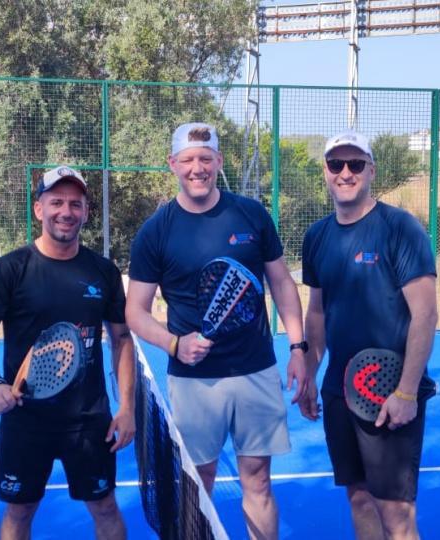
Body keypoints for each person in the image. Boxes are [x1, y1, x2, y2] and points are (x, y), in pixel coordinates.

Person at [126, 122, 312, 540]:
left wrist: (298, 347)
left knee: (258, 480)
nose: (198, 168)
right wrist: (174, 344)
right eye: (188, 160)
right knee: (198, 484)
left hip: (256, 371)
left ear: (219, 162)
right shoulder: (155, 231)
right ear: (173, 164)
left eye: (206, 159)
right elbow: (135, 312)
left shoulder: (251, 214)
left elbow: (282, 283)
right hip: (194, 381)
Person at [0, 166, 135, 540]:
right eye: (56, 202)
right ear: (39, 209)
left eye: (75, 204)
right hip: (26, 421)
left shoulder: (103, 271)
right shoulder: (10, 269)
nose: (66, 212)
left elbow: (122, 339)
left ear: (86, 212)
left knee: (105, 507)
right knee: (20, 511)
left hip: (89, 420)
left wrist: (127, 408)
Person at [300, 131, 439, 539]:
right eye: (336, 164)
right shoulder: (316, 237)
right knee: (359, 498)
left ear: (371, 171)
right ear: (325, 172)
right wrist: (309, 374)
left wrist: (407, 393)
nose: (345, 173)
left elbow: (426, 314)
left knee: (396, 514)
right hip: (339, 392)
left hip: (389, 392)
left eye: (355, 164)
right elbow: (317, 312)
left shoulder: (400, 228)